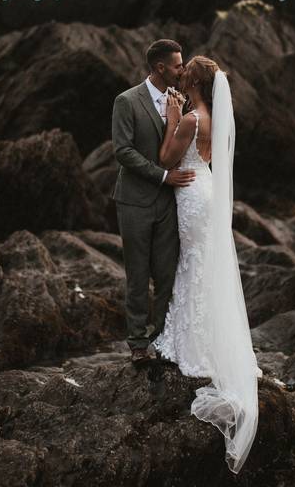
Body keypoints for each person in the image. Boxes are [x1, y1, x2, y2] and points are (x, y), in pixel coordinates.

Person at [151, 55, 262, 474]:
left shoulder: (192, 119)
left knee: (194, 266)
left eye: (185, 73)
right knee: (204, 266)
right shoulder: (215, 119)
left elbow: (166, 158)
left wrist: (173, 117)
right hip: (208, 192)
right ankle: (211, 339)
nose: (179, 76)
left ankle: (193, 346)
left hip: (192, 198)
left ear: (193, 81)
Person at [110, 39, 196, 363]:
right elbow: (122, 151)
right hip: (134, 201)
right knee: (137, 274)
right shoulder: (127, 101)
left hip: (170, 202)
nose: (182, 70)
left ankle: (161, 340)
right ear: (160, 68)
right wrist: (162, 176)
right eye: (177, 65)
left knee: (166, 274)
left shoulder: (181, 100)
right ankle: (137, 345)